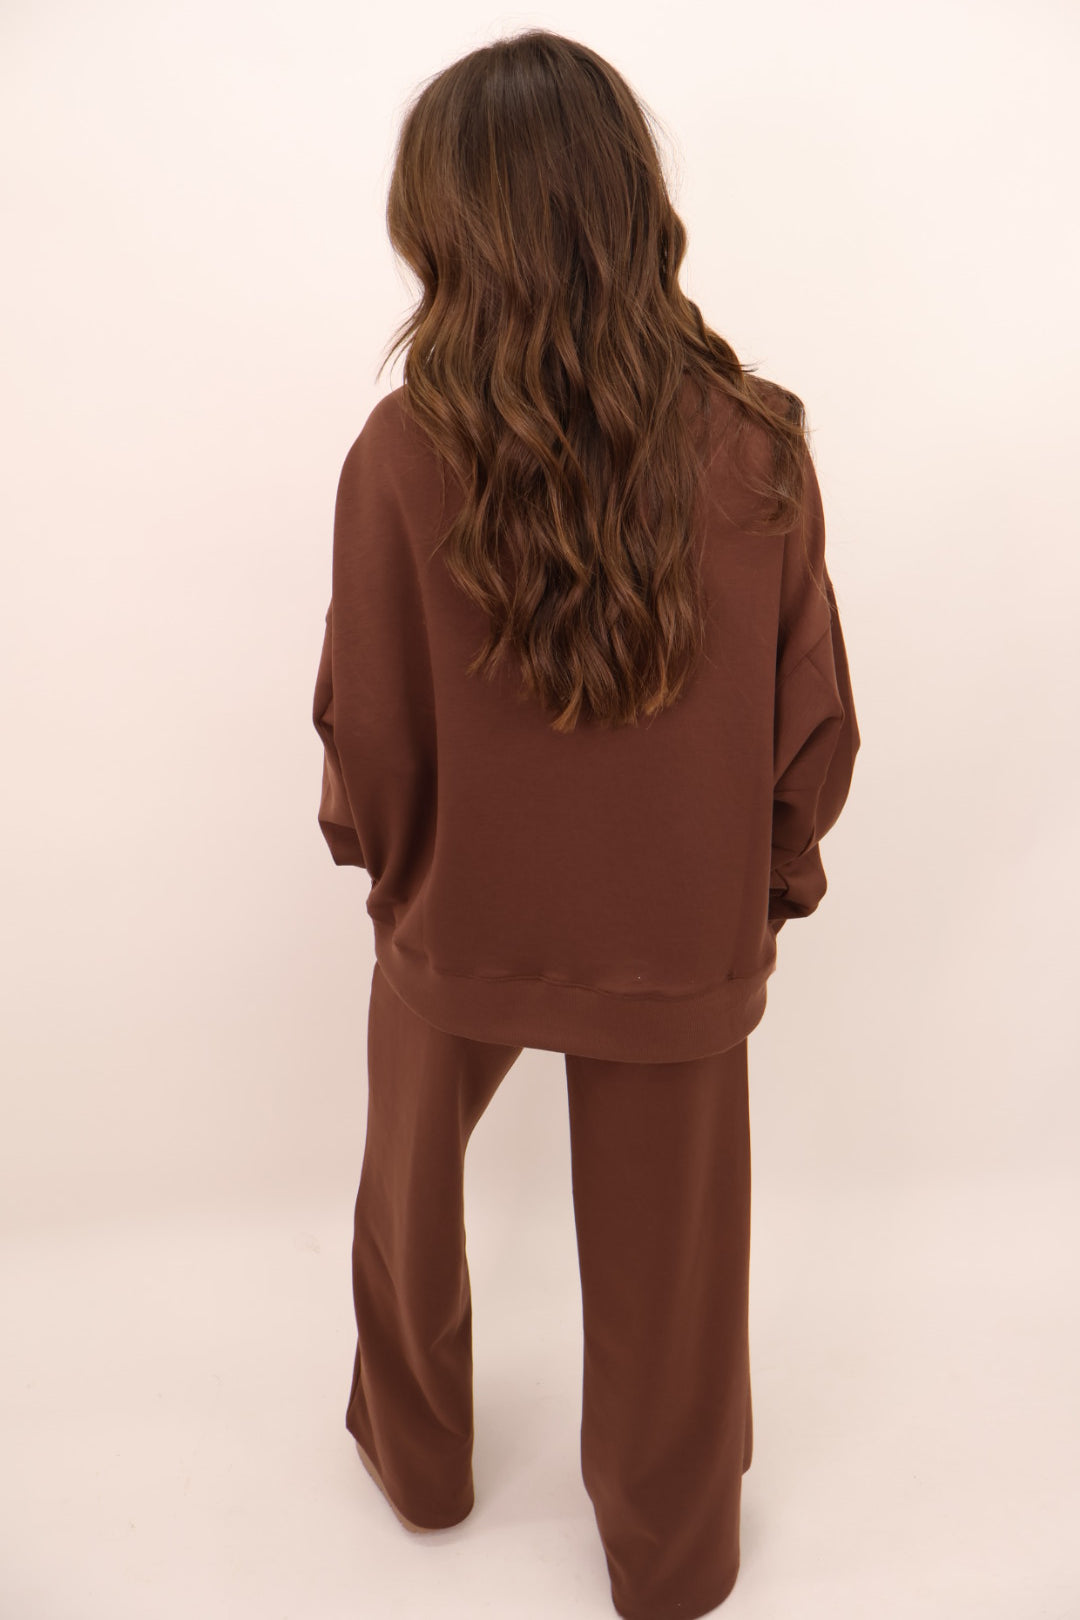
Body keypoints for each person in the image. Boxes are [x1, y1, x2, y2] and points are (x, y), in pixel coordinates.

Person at [312, 28, 860, 1620]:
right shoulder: (756, 442)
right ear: (631, 205)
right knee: (674, 1274)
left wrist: (400, 885)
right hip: (676, 931)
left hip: (463, 914)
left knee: (405, 1196)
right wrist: (756, 887)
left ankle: (421, 1465)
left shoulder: (401, 453)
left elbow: (368, 724)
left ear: (449, 224)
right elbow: (812, 715)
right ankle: (672, 1564)